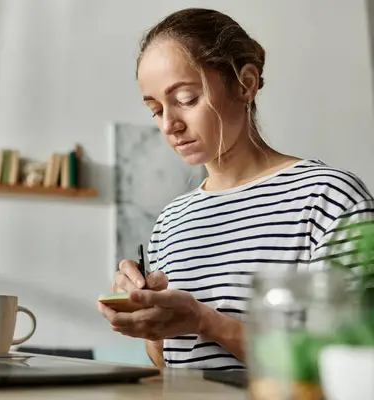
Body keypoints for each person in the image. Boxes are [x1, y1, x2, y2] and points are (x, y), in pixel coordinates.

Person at [97, 7, 374, 371]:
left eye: (185, 99)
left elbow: (343, 364)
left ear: (245, 83)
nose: (170, 124)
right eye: (155, 109)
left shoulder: (330, 199)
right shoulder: (170, 221)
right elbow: (169, 365)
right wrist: (145, 315)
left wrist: (205, 321)